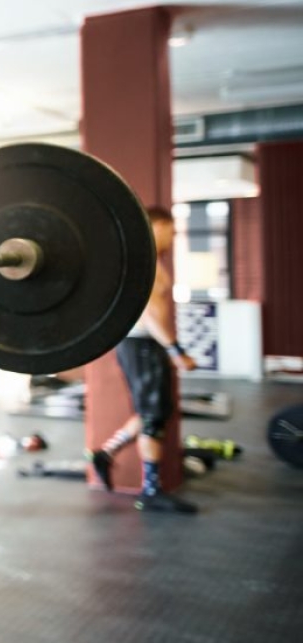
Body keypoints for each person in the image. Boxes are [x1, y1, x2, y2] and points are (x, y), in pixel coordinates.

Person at [87, 205, 198, 513]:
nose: (173, 238)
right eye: (171, 231)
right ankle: (150, 491)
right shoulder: (145, 263)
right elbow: (149, 314)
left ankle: (106, 454)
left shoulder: (152, 263)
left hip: (144, 346)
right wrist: (176, 351)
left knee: (154, 411)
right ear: (157, 226)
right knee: (152, 416)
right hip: (142, 344)